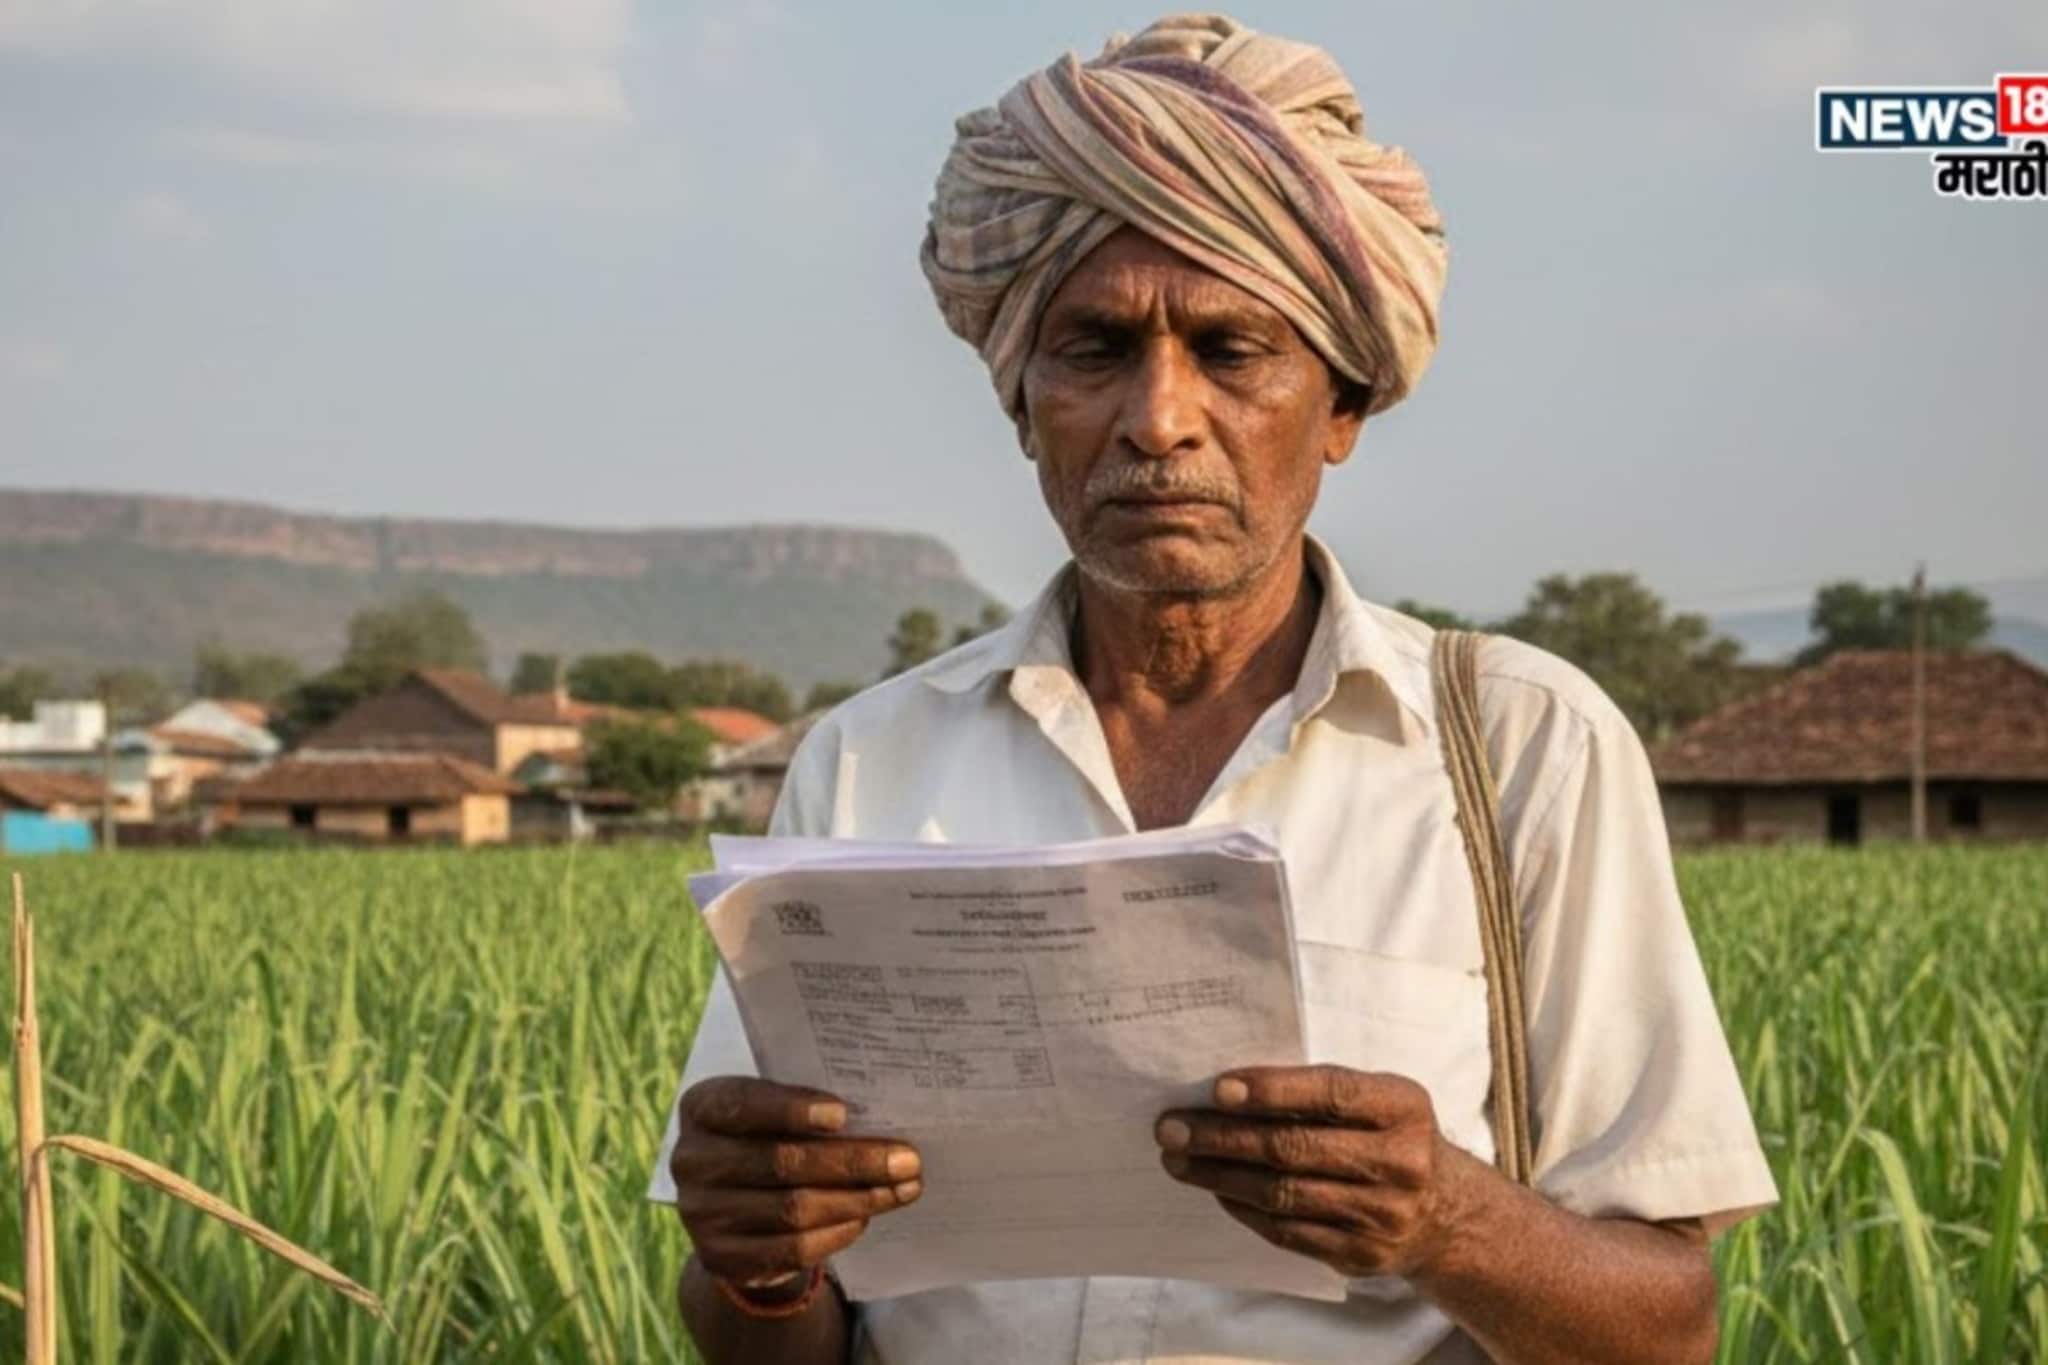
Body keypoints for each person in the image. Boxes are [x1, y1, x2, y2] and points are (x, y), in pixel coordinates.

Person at [648, 14, 1776, 1363]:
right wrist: (760, 1267)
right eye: (1096, 350)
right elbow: (768, 1330)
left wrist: (1441, 1219)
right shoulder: (873, 760)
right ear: (1022, 403)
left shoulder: (1521, 750)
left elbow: (1672, 1329)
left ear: (1343, 404)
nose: (1158, 417)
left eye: (1232, 351)